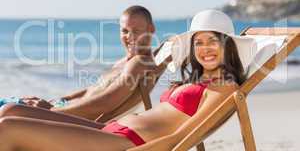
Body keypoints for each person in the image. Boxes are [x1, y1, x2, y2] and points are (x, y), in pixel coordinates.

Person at [0, 10, 257, 151]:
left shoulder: (225, 87)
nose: (205, 49)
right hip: (110, 129)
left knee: (8, 128)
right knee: (11, 110)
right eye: (198, 42)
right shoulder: (199, 80)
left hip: (126, 143)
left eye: (213, 40)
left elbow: (181, 137)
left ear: (228, 45)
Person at [0, 5, 166, 126]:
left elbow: (106, 102)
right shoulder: (124, 62)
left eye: (136, 31)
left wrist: (51, 111)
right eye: (124, 31)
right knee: (9, 106)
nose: (129, 37)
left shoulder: (139, 63)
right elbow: (93, 90)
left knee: (9, 110)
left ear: (150, 29)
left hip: (74, 120)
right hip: (65, 109)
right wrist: (61, 100)